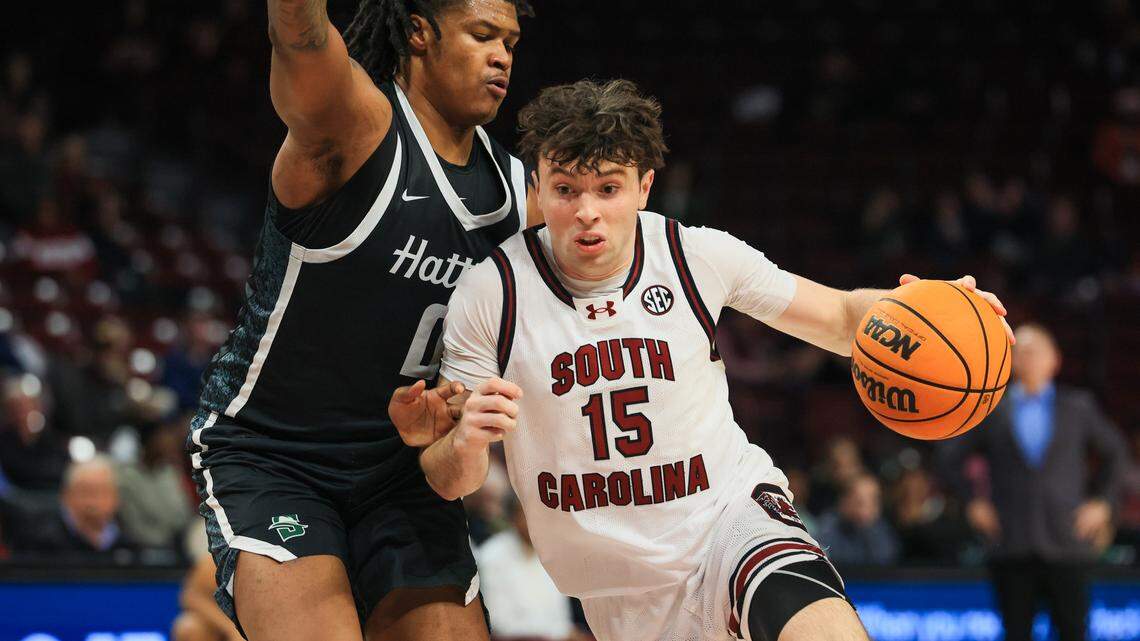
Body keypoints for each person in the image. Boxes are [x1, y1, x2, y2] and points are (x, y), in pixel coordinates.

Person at [393, 79, 1012, 641]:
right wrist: (469, 443)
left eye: (609, 188)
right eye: (565, 189)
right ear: (537, 186)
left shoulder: (695, 257)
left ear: (644, 186)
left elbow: (843, 318)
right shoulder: (492, 291)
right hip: (618, 595)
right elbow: (451, 478)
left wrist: (929, 307)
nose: (587, 211)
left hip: (730, 526)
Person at [185, 1, 535, 640]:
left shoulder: (518, 193)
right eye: (483, 35)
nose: (502, 56)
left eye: (510, 41)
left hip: (404, 471)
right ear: (419, 32)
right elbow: (300, 35)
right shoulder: (355, 127)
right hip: (276, 454)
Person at [940, 323, 1129, 641]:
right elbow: (948, 456)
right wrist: (972, 501)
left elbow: (1117, 453)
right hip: (1011, 542)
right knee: (1015, 633)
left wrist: (1103, 503)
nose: (1028, 358)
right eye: (1021, 352)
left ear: (1054, 359)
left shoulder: (1078, 406)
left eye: (1036, 351)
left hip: (1067, 541)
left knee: (1073, 632)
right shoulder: (991, 409)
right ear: (1011, 361)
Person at [475, 497, 584, 640]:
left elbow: (561, 617)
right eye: (528, 513)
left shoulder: (553, 554)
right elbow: (498, 623)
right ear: (512, 517)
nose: (537, 521)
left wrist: (566, 632)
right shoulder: (491, 555)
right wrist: (558, 634)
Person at [12, 456, 137, 561]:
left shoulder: (128, 546)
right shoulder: (40, 543)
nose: (93, 500)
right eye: (85, 491)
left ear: (116, 499)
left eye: (102, 492)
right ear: (66, 496)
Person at [815, 474, 899, 566]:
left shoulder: (881, 527)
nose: (867, 508)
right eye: (859, 501)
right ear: (844, 501)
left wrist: (867, 529)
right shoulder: (828, 525)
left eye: (873, 501)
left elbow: (887, 559)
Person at [172, 553, 243, 641]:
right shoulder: (219, 558)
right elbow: (191, 597)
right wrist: (230, 628)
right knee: (189, 627)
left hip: (254, 621)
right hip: (224, 624)